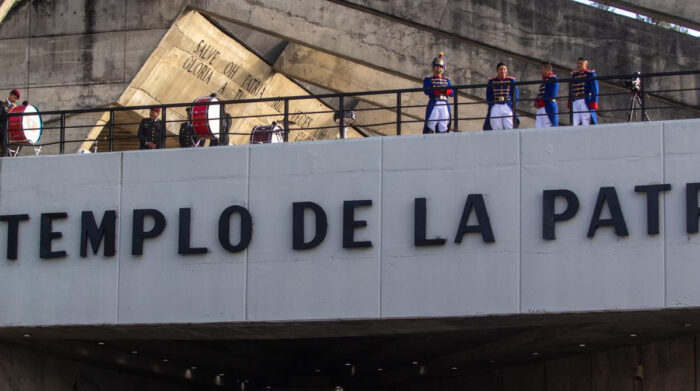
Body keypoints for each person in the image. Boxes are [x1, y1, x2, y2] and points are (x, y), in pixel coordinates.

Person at [423, 52, 453, 133]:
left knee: (444, 123)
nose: (439, 68)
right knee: (431, 122)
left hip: (444, 102)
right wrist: (439, 90)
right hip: (434, 101)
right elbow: (427, 90)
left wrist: (445, 91)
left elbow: (452, 93)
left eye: (440, 67)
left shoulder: (446, 80)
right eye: (437, 66)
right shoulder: (428, 79)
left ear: (443, 69)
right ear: (433, 67)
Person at [484, 63, 519, 130]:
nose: (502, 71)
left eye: (504, 69)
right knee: (496, 126)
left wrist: (512, 105)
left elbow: (515, 94)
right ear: (497, 70)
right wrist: (492, 104)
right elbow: (489, 95)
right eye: (500, 69)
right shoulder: (492, 81)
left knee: (509, 125)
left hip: (507, 104)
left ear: (506, 70)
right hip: (496, 104)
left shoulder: (511, 80)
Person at [569, 57, 599, 125]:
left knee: (585, 119)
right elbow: (571, 89)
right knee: (574, 120)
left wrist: (594, 102)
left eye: (581, 64)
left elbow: (595, 89)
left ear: (586, 64)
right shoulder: (574, 75)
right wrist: (569, 101)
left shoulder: (590, 74)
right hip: (575, 100)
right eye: (578, 63)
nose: (579, 65)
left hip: (585, 100)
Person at [534, 62, 559, 128]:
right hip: (541, 106)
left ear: (547, 69)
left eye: (542, 69)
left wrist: (541, 102)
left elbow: (552, 94)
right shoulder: (545, 79)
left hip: (548, 106)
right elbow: (541, 92)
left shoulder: (553, 79)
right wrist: (536, 101)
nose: (541, 71)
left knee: (547, 125)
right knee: (538, 125)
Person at [0, 89, 20, 156]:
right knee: (3, 146)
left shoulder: (15, 107)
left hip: (11, 130)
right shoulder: (2, 103)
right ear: (10, 95)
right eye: (14, 98)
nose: (15, 100)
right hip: (2, 128)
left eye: (16, 99)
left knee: (10, 147)